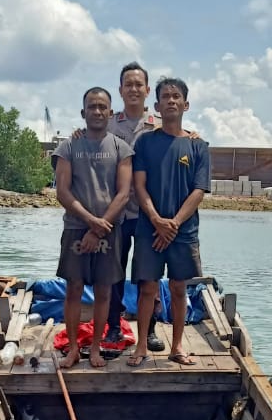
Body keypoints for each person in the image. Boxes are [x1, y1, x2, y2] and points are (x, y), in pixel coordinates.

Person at [129, 78, 210, 367]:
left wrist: (173, 223)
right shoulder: (145, 142)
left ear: (186, 104)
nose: (171, 101)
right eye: (166, 97)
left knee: (178, 288)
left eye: (177, 97)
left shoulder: (199, 146)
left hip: (184, 231)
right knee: (147, 288)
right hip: (148, 229)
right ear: (157, 105)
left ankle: (177, 346)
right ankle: (141, 346)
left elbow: (198, 191)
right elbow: (139, 186)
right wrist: (156, 220)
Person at [53, 87, 133, 369]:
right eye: (92, 106)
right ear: (83, 112)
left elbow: (123, 194)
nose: (97, 111)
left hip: (110, 229)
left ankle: (96, 348)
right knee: (73, 288)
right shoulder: (68, 147)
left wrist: (101, 227)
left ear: (110, 113)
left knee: (104, 290)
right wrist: (90, 222)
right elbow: (62, 191)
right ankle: (73, 348)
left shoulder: (121, 148)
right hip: (76, 227)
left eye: (102, 107)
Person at [106, 62, 163, 351]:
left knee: (147, 273)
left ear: (147, 90)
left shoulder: (159, 127)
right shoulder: (108, 124)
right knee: (113, 271)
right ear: (120, 90)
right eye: (128, 84)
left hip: (145, 212)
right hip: (116, 211)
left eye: (138, 84)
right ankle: (113, 326)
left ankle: (149, 330)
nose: (133, 89)